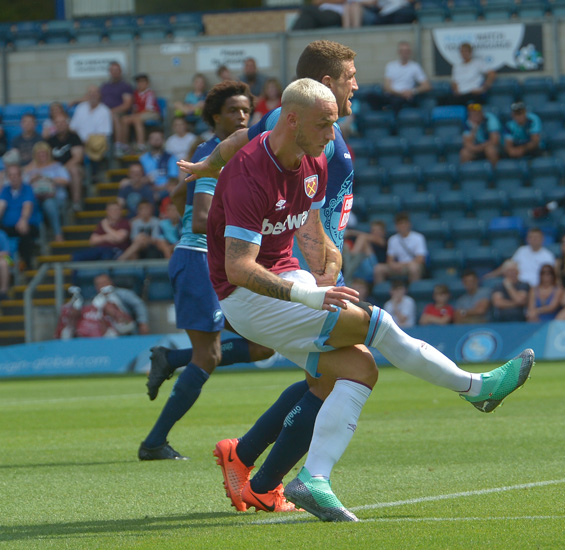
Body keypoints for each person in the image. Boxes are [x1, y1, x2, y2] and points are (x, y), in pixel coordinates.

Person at [205, 78, 533, 521]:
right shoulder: (248, 172)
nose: (331, 135)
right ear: (292, 118)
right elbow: (237, 268)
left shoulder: (314, 159)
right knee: (374, 322)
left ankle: (313, 480)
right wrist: (309, 294)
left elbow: (309, 229)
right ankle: (476, 389)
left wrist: (328, 259)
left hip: (289, 282)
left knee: (361, 368)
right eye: (324, 125)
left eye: (334, 125)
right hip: (246, 297)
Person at [139, 80, 277, 463]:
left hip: (224, 261)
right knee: (210, 355)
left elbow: (179, 195)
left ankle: (171, 359)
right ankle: (153, 443)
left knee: (264, 344)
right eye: (233, 110)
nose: (242, 116)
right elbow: (201, 219)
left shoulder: (238, 154)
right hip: (200, 258)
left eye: (247, 110)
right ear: (215, 116)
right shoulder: (211, 153)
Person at [23, 142, 71, 243]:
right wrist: (32, 179)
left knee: (49, 204)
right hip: (36, 198)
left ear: (48, 154)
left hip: (55, 197)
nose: (42, 156)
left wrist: (49, 179)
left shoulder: (57, 166)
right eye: (39, 153)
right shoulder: (30, 169)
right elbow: (23, 184)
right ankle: (32, 238)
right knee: (26, 204)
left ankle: (58, 234)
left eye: (44, 153)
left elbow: (66, 181)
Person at [0, 163, 41, 268]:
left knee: (24, 232)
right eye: (10, 175)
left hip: (27, 225)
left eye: (16, 175)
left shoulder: (27, 189)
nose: (13, 178)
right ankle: (9, 264)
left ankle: (27, 266)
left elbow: (27, 206)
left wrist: (23, 219)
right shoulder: (5, 190)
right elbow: (1, 206)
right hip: (9, 227)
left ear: (20, 176)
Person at [484, 227, 555, 287]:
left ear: (542, 239)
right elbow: (508, 265)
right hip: (518, 284)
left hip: (536, 287)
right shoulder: (521, 251)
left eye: (536, 237)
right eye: (531, 237)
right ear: (527, 239)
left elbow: (550, 276)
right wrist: (491, 275)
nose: (534, 239)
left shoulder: (548, 256)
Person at [373, 212, 426, 284]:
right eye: (400, 224)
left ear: (409, 224)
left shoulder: (418, 237)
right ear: (396, 226)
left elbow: (420, 259)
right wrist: (394, 265)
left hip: (412, 264)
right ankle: (381, 291)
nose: (403, 226)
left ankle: (414, 292)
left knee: (413, 268)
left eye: (405, 223)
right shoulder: (393, 239)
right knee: (378, 269)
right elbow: (389, 260)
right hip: (398, 267)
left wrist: (403, 264)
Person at [46, 114, 85, 211]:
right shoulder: (50, 140)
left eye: (62, 122)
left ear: (67, 124)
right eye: (57, 123)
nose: (60, 125)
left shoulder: (74, 137)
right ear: (54, 126)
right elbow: (47, 159)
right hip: (55, 169)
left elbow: (78, 158)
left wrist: (63, 169)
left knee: (74, 170)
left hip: (71, 167)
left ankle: (76, 202)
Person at [379, 41, 431, 112]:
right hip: (393, 95)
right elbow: (387, 86)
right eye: (402, 51)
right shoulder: (390, 66)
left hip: (407, 97)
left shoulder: (415, 67)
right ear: (399, 52)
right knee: (370, 96)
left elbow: (427, 86)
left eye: (406, 51)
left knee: (398, 102)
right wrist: (400, 93)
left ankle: (389, 108)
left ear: (410, 52)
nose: (404, 53)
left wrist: (412, 91)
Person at [70, 86, 113, 166]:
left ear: (99, 95)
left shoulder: (105, 111)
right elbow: (72, 127)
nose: (93, 95)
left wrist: (87, 142)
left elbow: (103, 134)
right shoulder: (80, 107)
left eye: (95, 93)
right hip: (78, 142)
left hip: (95, 144)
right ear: (87, 95)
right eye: (90, 93)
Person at [99, 61, 134, 157]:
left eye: (117, 70)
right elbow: (93, 97)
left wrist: (111, 111)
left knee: (115, 117)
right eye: (112, 70)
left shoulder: (125, 86)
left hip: (119, 113)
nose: (114, 72)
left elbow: (127, 105)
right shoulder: (104, 86)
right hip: (103, 114)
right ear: (109, 72)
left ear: (120, 71)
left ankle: (118, 145)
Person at [120, 73, 161, 151]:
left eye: (143, 82)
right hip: (139, 114)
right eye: (139, 82)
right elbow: (135, 108)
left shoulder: (149, 93)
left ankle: (141, 145)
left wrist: (135, 115)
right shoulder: (135, 94)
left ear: (147, 83)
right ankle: (124, 145)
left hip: (152, 113)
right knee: (124, 119)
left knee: (137, 119)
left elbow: (149, 109)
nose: (140, 84)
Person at [140, 128, 180, 197]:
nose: (156, 140)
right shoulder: (143, 159)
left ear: (163, 141)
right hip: (146, 189)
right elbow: (139, 178)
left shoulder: (171, 157)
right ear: (149, 141)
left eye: (158, 138)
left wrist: (160, 188)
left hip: (166, 190)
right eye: (153, 138)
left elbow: (173, 179)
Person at [459, 102, 501, 167]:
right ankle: (467, 174)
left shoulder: (490, 119)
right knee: (464, 153)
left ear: (482, 113)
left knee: (490, 150)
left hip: (489, 146)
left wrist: (480, 147)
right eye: (472, 114)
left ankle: (495, 173)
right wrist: (474, 129)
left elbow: (495, 140)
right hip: (477, 148)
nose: (475, 116)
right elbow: (467, 143)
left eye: (477, 113)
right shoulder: (468, 123)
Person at [0, 232, 10, 300]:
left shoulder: (2, 235)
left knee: (3, 263)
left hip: (8, 258)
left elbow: (6, 252)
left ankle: (3, 291)